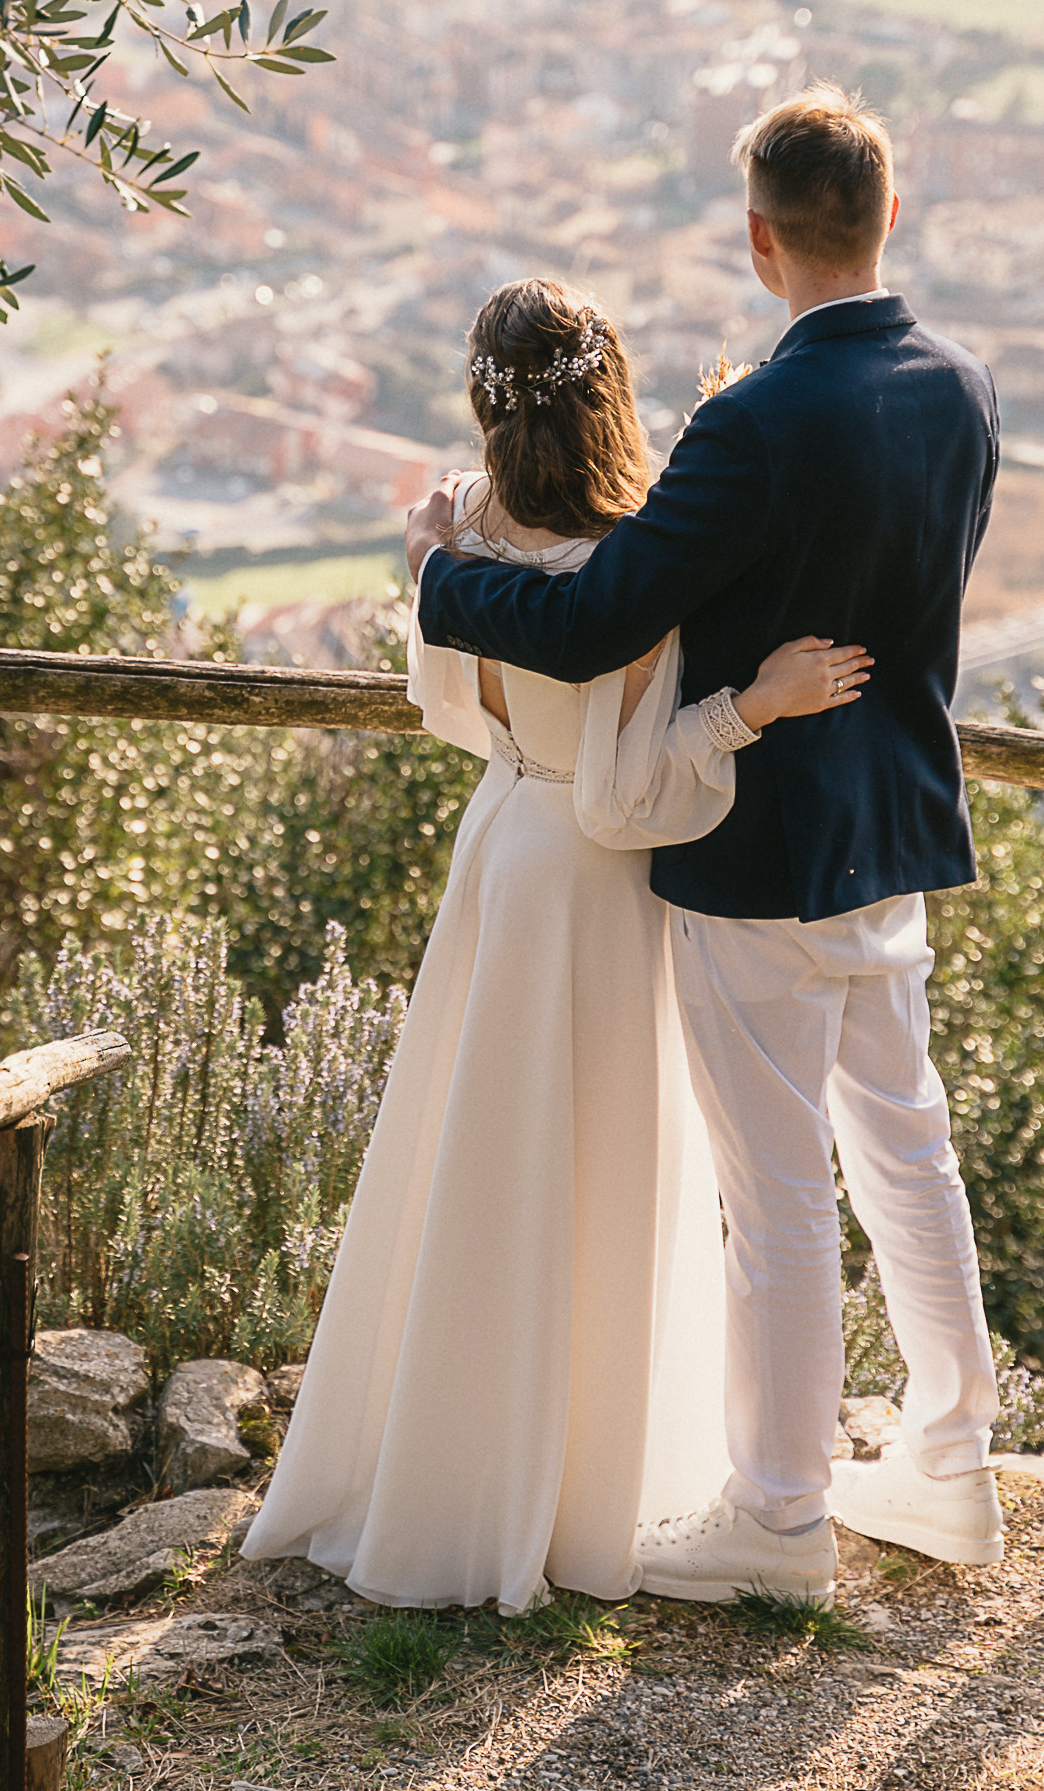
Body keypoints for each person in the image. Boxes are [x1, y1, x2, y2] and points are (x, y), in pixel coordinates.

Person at [407, 87, 1005, 1600]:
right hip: (897, 832)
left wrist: (438, 580)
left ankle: (781, 1519)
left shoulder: (751, 425)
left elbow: (600, 615)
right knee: (909, 1154)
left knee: (780, 1196)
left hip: (764, 852)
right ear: (890, 215)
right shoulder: (964, 386)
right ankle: (956, 1469)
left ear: (760, 239)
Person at [243, 278, 870, 1615]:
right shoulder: (633, 560)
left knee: (476, 1169)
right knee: (590, 1178)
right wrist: (748, 709)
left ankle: (446, 1481)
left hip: (497, 846)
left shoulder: (456, 534)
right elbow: (626, 798)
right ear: (611, 394)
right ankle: (582, 1494)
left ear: (484, 398)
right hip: (592, 887)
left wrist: (518, 747)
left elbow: (447, 709)